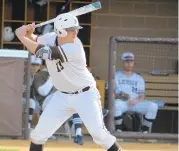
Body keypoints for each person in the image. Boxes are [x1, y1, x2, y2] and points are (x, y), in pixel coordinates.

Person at [15, 13, 122, 151]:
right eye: (72, 30)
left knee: (99, 135)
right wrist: (28, 34)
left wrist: (21, 36)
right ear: (60, 31)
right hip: (62, 96)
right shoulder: (50, 38)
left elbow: (41, 52)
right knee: (38, 135)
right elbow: (35, 40)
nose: (76, 32)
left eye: (76, 29)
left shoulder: (75, 47)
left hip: (85, 95)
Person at [31, 60, 84, 145]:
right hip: (46, 102)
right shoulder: (39, 75)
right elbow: (43, 92)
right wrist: (52, 78)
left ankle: (78, 133)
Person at [114, 52, 158, 134]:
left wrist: (135, 101)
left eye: (131, 61)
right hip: (122, 103)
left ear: (133, 63)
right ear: (123, 62)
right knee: (116, 104)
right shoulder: (116, 76)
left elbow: (142, 96)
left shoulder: (139, 78)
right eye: (127, 61)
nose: (129, 64)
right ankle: (118, 130)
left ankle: (144, 131)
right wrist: (120, 95)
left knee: (153, 106)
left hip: (136, 103)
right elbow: (112, 92)